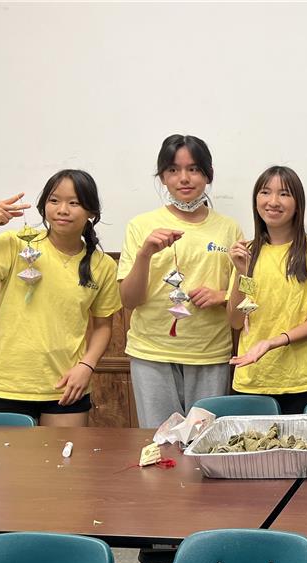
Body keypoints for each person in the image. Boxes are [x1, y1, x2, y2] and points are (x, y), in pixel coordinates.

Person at [0, 170, 121, 425]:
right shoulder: (16, 244)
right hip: (8, 384)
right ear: (43, 207)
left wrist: (87, 366)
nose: (62, 209)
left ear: (91, 213)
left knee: (66, 464)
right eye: (54, 200)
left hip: (66, 387)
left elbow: (103, 326)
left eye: (74, 203)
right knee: (10, 466)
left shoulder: (102, 265)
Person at [118, 134, 243, 428]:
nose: (184, 179)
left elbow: (245, 294)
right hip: (152, 354)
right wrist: (145, 254)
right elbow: (128, 300)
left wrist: (223, 295)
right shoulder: (141, 226)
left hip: (209, 353)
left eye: (194, 169)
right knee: (160, 445)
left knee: (205, 444)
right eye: (173, 170)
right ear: (162, 176)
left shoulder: (229, 228)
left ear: (208, 175)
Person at [226, 166, 307, 414]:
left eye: (284, 194)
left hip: (301, 381)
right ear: (256, 200)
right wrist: (240, 271)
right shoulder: (246, 251)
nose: (273, 202)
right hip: (250, 378)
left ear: (298, 203)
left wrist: (273, 342)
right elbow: (236, 321)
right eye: (265, 192)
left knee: (299, 452)